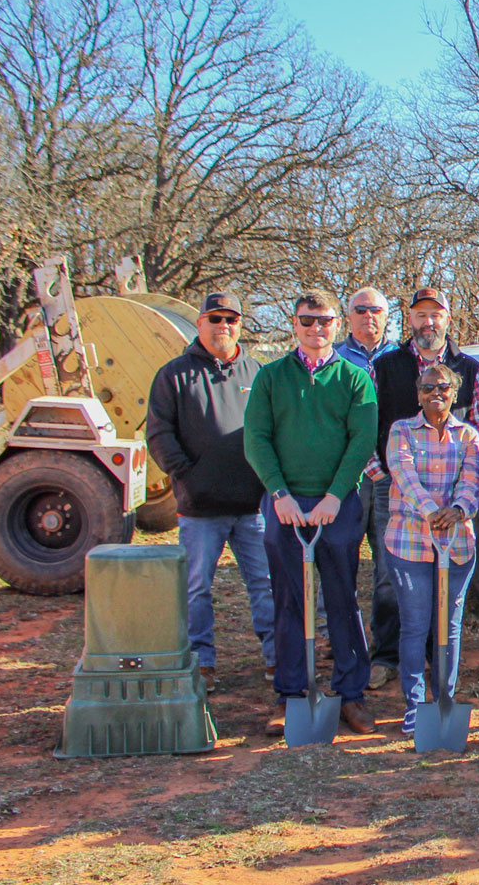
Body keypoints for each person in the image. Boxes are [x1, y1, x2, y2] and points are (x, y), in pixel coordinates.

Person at [243, 290, 380, 736]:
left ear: (336, 325)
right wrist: (279, 493)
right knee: (289, 601)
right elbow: (256, 438)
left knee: (341, 598)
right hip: (284, 503)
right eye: (307, 321)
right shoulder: (271, 377)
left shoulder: (354, 378)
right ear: (294, 324)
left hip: (336, 505)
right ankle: (292, 694)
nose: (316, 329)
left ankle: (350, 693)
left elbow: (361, 440)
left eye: (324, 321)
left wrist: (336, 495)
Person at [145, 291, 276, 698]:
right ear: (200, 323)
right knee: (197, 586)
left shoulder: (257, 373)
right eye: (215, 319)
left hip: (251, 506)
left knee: (266, 583)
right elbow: (158, 433)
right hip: (200, 508)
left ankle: (276, 658)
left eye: (231, 320)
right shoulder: (174, 375)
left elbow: (272, 431)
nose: (223, 327)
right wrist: (187, 477)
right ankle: (202, 662)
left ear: (241, 325)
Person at [369, 289, 479, 691]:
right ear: (410, 319)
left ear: (447, 319)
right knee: (392, 582)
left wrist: (460, 501)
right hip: (396, 489)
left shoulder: (469, 368)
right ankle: (389, 658)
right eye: (420, 314)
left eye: (435, 315)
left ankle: (439, 675)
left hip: (455, 496)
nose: (428, 322)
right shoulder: (387, 366)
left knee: (444, 603)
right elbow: (367, 420)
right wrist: (377, 471)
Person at [384, 363, 479, 735]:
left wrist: (458, 510)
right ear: (418, 394)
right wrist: (431, 511)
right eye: (428, 388)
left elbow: (473, 478)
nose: (435, 394)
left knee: (449, 626)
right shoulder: (402, 431)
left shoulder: (468, 436)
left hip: (456, 543)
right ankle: (415, 703)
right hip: (410, 541)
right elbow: (404, 473)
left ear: (454, 393)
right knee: (415, 625)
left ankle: (445, 698)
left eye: (443, 388)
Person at [337, 285, 394, 680]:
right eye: (360, 310)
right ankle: (340, 641)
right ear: (348, 316)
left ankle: (382, 651)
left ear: (387, 317)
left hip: (392, 479)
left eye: (375, 310)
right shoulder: (334, 360)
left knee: (387, 566)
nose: (368, 316)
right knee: (340, 561)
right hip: (345, 478)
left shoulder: (402, 359)